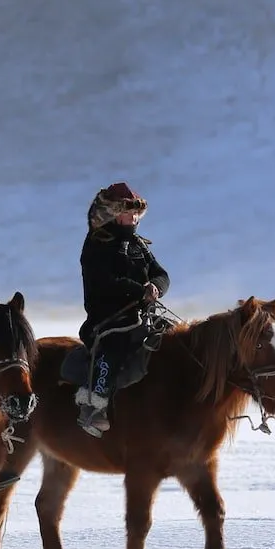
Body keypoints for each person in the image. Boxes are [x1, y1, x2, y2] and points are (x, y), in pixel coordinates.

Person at [76, 182, 169, 435]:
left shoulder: (139, 245)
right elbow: (105, 281)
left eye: (137, 213)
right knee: (114, 346)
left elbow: (161, 274)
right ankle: (94, 407)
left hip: (143, 315)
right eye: (129, 212)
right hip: (108, 319)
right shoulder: (97, 244)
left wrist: (156, 288)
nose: (135, 217)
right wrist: (141, 290)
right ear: (113, 214)